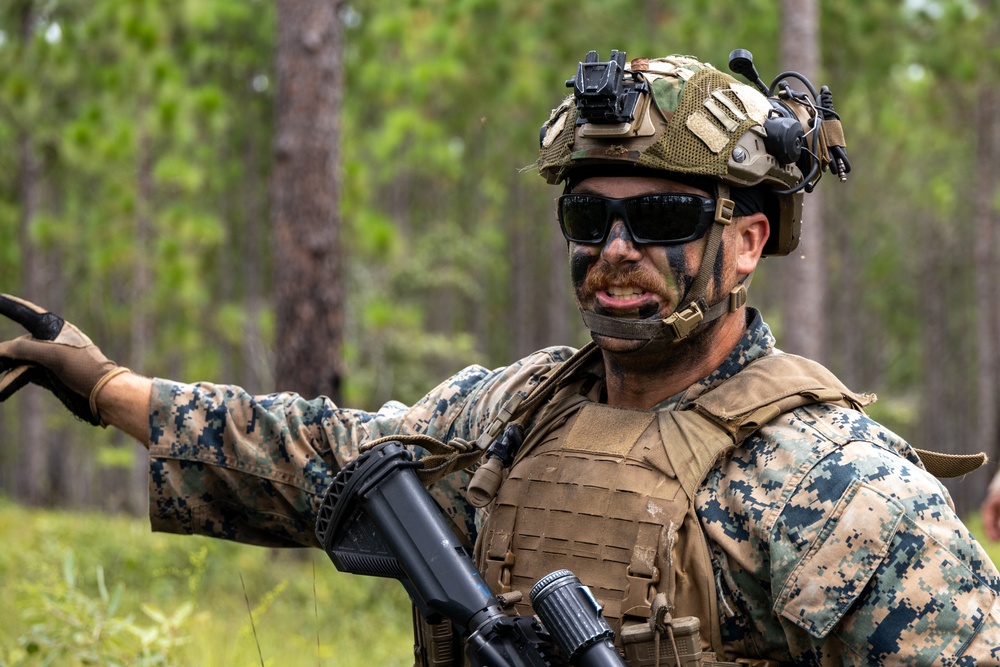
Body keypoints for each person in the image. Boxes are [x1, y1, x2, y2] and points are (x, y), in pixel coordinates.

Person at [2, 49, 999, 666]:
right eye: (588, 215)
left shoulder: (842, 490)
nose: (616, 250)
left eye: (660, 217)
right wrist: (103, 386)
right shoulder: (517, 413)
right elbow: (325, 456)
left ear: (745, 241)